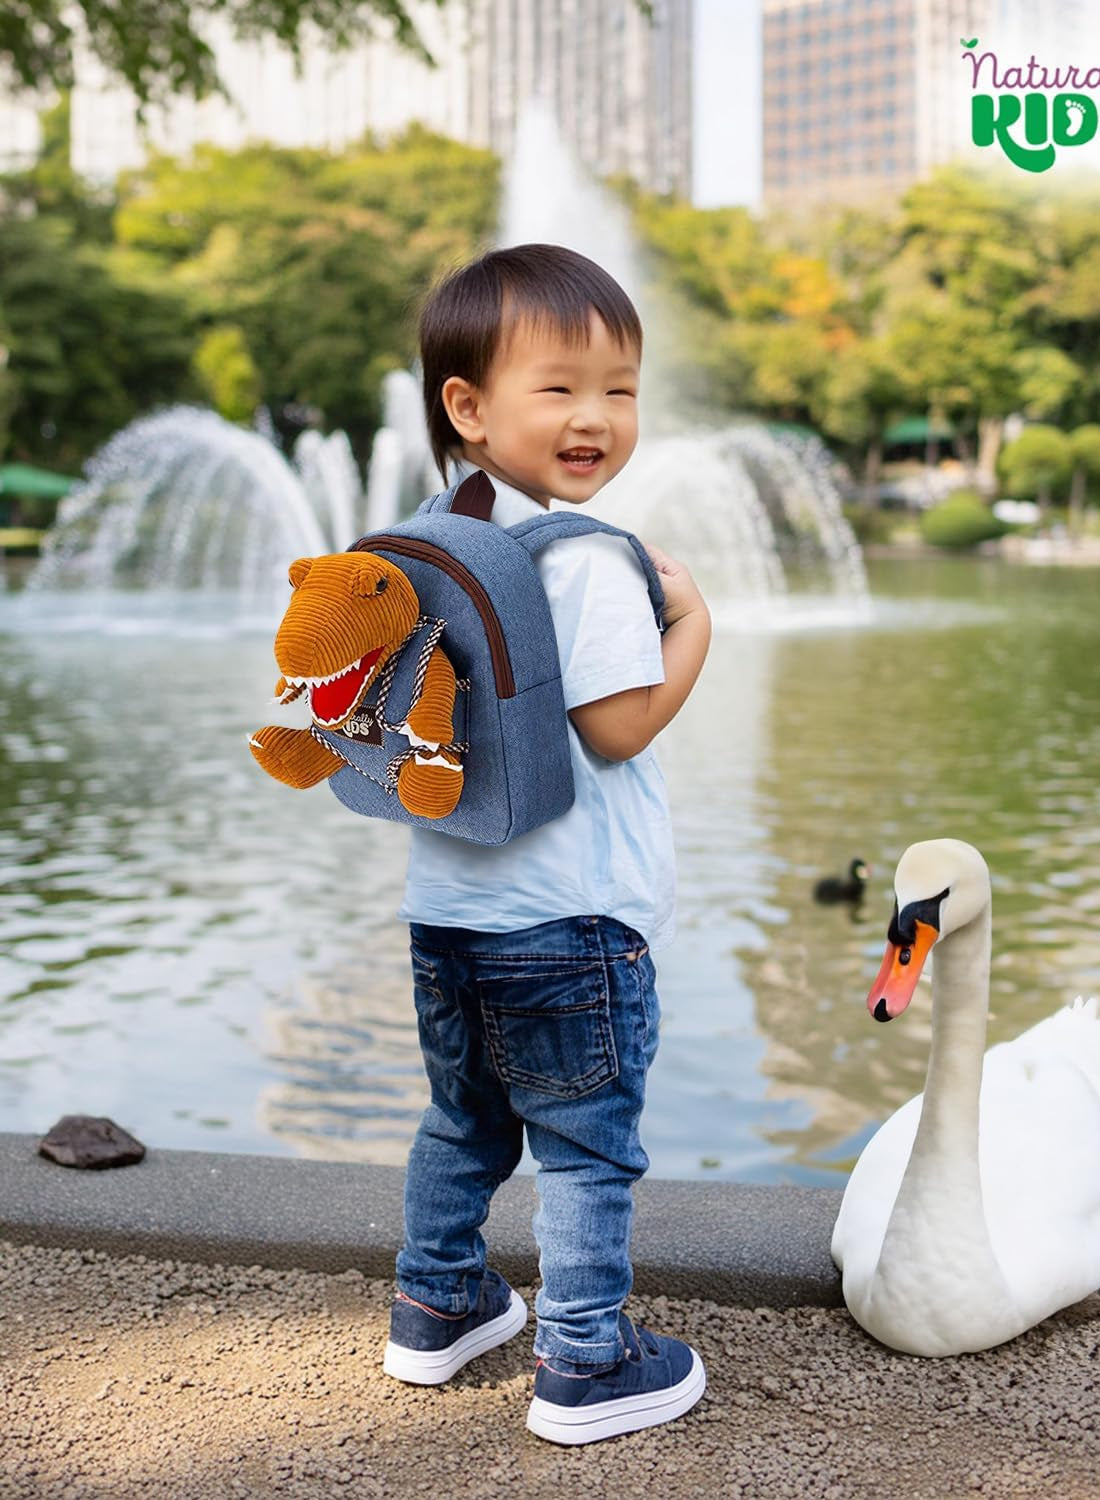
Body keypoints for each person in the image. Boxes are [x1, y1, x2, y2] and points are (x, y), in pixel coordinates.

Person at [383, 243, 711, 1446]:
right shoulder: (582, 560)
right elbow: (619, 729)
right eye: (561, 386)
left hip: (450, 917)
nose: (596, 417)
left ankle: (437, 1302)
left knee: (463, 1119)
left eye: (620, 388)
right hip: (573, 920)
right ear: (466, 407)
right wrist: (697, 629)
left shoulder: (431, 544)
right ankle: (586, 1360)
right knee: (584, 1146)